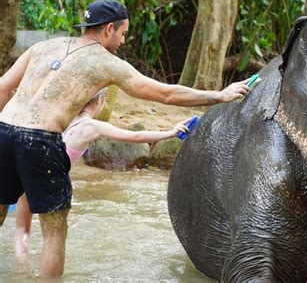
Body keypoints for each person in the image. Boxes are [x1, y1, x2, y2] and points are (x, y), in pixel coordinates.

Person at [0, 0, 249, 277]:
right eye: (123, 33)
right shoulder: (106, 63)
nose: (122, 41)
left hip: (4, 130)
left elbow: (3, 88)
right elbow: (164, 93)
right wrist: (218, 95)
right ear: (109, 29)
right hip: (41, 140)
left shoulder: (42, 47)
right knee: (54, 230)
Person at [13, 89, 191, 256]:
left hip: (29, 168)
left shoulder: (64, 119)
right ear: (100, 101)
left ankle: (19, 268)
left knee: (22, 230)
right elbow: (135, 137)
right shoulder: (93, 126)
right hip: (51, 179)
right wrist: (171, 133)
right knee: (53, 238)